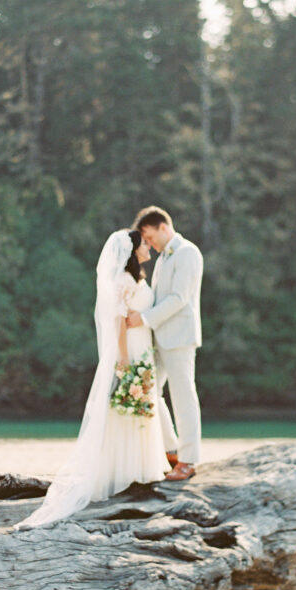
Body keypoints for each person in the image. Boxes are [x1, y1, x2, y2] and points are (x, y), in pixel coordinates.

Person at [20, 229, 170, 527]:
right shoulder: (125, 281)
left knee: (139, 406)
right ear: (132, 250)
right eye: (144, 244)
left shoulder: (137, 277)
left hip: (143, 347)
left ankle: (142, 467)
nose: (149, 247)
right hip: (131, 350)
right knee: (125, 408)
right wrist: (124, 358)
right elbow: (117, 321)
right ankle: (123, 472)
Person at [127, 206, 203, 481]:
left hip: (180, 336)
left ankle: (189, 460)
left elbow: (179, 298)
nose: (148, 244)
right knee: (150, 394)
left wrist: (144, 318)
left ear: (163, 227)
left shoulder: (187, 253)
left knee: (184, 397)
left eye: (149, 237)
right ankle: (171, 450)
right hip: (159, 338)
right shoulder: (163, 258)